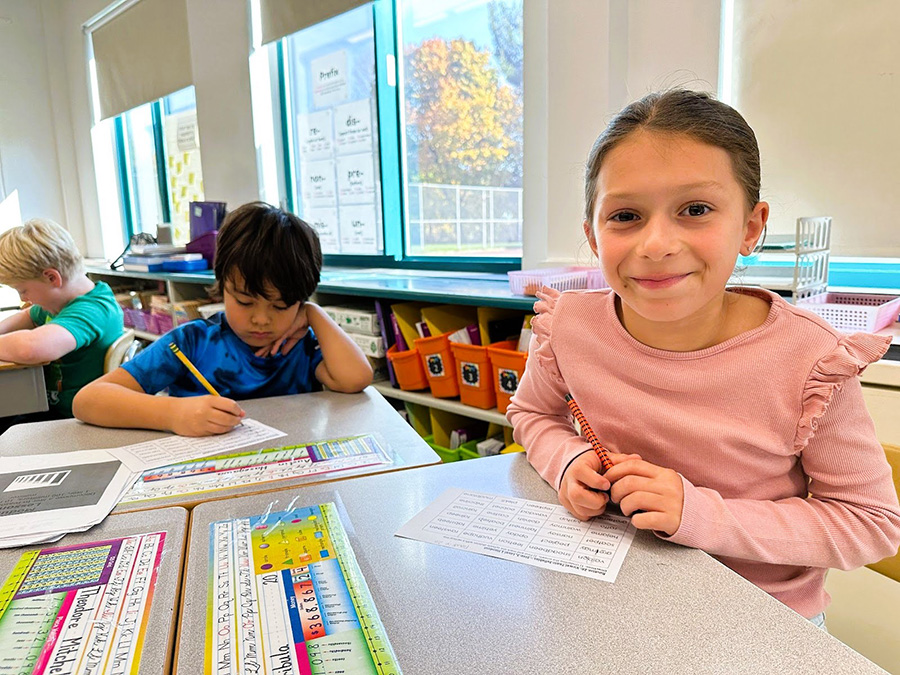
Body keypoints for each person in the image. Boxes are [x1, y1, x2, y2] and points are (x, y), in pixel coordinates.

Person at [506, 89, 900, 627]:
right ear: (593, 238)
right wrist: (568, 461)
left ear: (751, 227)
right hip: (615, 598)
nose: (657, 243)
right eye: (625, 215)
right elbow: (531, 415)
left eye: (696, 210)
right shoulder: (569, 326)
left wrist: (699, 514)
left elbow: (871, 523)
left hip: (759, 622)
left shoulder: (810, 359)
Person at [73, 202, 372, 436]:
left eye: (281, 306)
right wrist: (172, 414)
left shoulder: (299, 346)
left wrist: (313, 313)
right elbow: (88, 401)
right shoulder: (192, 342)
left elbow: (356, 378)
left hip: (287, 477)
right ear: (222, 284)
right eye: (244, 301)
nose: (261, 319)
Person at [0, 218, 123, 430]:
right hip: (52, 410)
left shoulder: (93, 310)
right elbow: (27, 317)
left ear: (51, 278)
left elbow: (31, 348)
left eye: (23, 290)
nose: (25, 299)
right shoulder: (59, 305)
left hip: (73, 420)